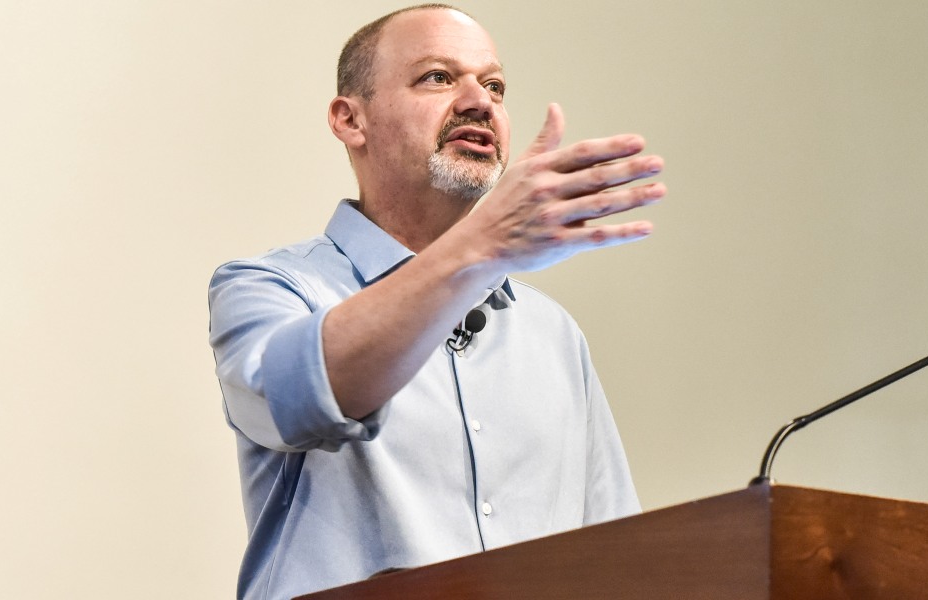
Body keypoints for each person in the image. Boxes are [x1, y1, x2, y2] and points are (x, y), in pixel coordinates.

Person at [206, 4, 666, 598]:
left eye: (494, 85)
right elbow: (306, 399)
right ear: (351, 119)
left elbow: (613, 555)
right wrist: (481, 246)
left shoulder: (552, 333)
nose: (480, 101)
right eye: (438, 77)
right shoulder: (268, 288)